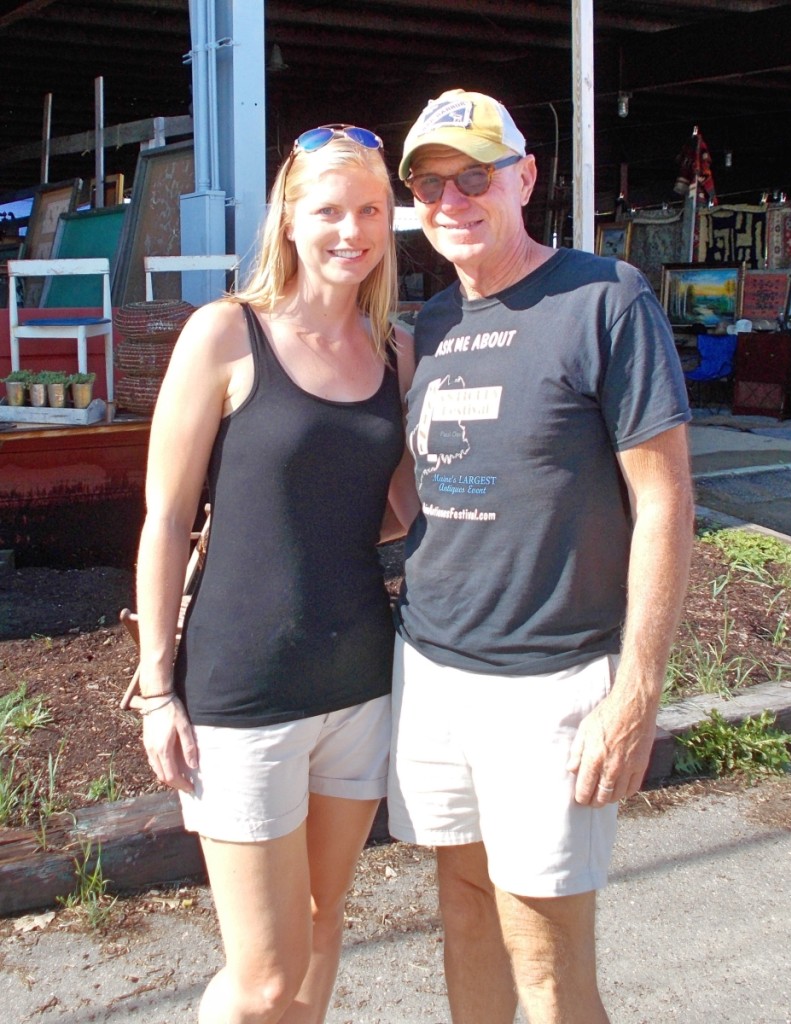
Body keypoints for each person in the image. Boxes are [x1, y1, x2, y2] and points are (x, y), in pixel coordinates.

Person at [388, 89, 695, 1023]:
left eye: (474, 176)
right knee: (465, 904)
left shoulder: (603, 297)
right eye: (431, 185)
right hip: (433, 667)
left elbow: (665, 498)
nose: (453, 201)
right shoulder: (428, 327)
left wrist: (635, 691)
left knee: (547, 948)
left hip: (553, 679)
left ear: (524, 177)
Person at [134, 124, 415, 1024]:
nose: (351, 230)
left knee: (325, 925)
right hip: (244, 692)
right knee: (260, 981)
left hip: (359, 683)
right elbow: (167, 519)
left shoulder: (397, 354)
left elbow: (414, 512)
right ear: (288, 218)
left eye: (369, 209)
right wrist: (154, 689)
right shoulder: (225, 334)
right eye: (328, 209)